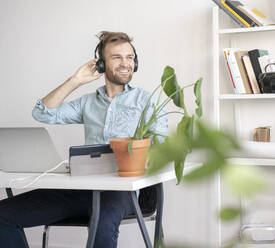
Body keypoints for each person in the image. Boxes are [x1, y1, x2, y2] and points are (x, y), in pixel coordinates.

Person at [0, 31, 168, 248]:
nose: (126, 63)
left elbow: (163, 148)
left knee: (104, 217)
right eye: (117, 57)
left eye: (130, 57)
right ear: (101, 64)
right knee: (3, 215)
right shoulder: (87, 103)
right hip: (81, 189)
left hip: (122, 192)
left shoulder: (148, 100)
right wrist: (75, 81)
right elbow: (42, 113)